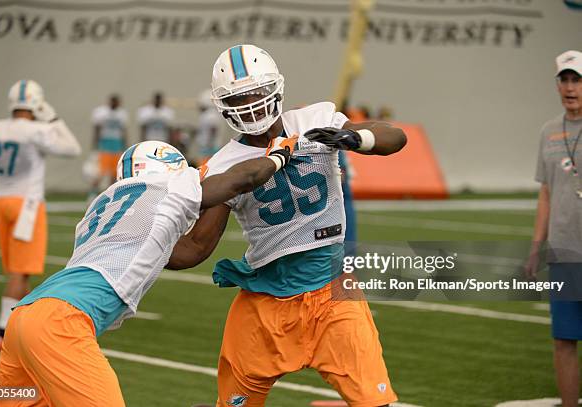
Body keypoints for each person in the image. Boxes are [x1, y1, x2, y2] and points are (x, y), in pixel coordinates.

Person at [169, 44, 407, 407]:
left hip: (332, 293)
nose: (250, 103)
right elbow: (195, 248)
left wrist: (355, 138)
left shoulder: (314, 120)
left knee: (375, 403)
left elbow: (394, 138)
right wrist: (136, 244)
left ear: (276, 89)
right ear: (224, 106)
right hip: (265, 303)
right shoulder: (222, 166)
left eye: (257, 92)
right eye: (239, 97)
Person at [0, 138, 296, 407]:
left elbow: (185, 252)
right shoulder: (169, 185)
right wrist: (278, 155)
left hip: (24, 318)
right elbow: (243, 179)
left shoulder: (103, 204)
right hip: (61, 324)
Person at [0, 79, 81, 351]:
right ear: (37, 103)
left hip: (1, 200)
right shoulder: (36, 130)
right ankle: (3, 332)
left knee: (18, 271)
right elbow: (72, 148)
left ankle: (18, 323)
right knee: (21, 272)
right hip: (27, 204)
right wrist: (54, 118)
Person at [526, 50, 582, 407]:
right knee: (564, 339)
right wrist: (536, 246)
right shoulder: (548, 131)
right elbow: (545, 193)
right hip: (563, 252)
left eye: (577, 80)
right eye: (564, 80)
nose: (570, 87)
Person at [90, 94, 128, 197]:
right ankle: (92, 193)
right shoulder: (101, 112)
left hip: (117, 145)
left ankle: (111, 194)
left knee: (114, 173)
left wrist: (125, 146)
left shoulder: (122, 113)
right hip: (105, 144)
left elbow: (124, 131)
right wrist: (95, 145)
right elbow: (96, 129)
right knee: (100, 172)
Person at [195, 89, 222, 165]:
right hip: (207, 147)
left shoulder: (210, 115)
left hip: (209, 148)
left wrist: (209, 145)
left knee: (206, 168)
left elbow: (213, 130)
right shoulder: (211, 114)